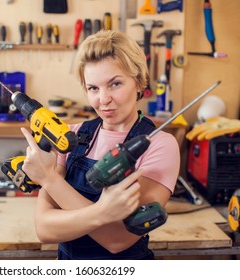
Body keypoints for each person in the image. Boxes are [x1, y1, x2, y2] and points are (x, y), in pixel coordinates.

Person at [20, 30, 180, 260]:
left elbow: (118, 239)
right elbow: (45, 229)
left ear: (139, 82)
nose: (103, 99)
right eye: (93, 88)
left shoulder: (159, 145)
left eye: (115, 84)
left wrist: (49, 179)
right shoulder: (71, 136)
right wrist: (102, 213)